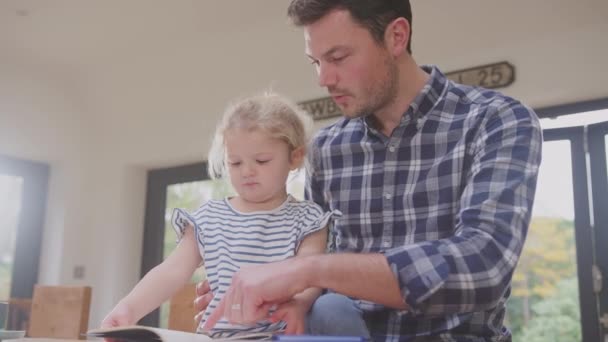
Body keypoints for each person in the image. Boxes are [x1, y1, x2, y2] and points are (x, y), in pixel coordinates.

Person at [198, 1, 543, 341]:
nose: (323, 78)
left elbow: (483, 267)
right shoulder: (326, 150)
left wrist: (305, 270)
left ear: (396, 37)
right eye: (315, 62)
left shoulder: (496, 120)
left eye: (337, 57)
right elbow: (313, 276)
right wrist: (250, 290)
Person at [100, 92, 342, 337]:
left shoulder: (309, 219)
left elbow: (311, 275)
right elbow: (172, 271)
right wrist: (128, 308)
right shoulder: (208, 218)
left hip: (280, 335)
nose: (247, 171)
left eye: (261, 160)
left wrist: (299, 305)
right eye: (235, 163)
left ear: (295, 157)